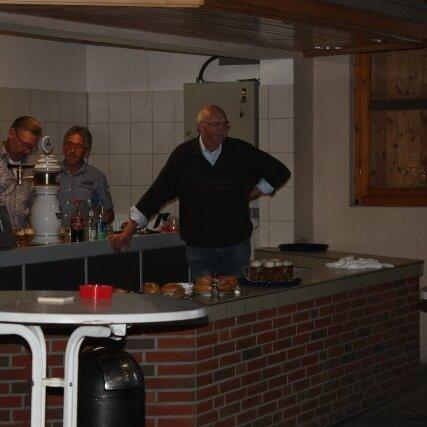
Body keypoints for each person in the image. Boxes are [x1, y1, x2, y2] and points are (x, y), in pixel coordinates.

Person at [110, 105, 290, 279]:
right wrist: (128, 231)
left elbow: (280, 171)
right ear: (200, 127)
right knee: (204, 296)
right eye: (216, 124)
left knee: (237, 295)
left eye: (225, 124)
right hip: (199, 249)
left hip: (236, 246)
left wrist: (256, 191)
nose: (223, 130)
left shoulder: (240, 151)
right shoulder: (183, 156)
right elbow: (157, 193)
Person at [59, 126, 114, 226]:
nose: (72, 150)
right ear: (63, 148)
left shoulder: (96, 177)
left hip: (84, 234)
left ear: (86, 152)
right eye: (69, 145)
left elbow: (109, 214)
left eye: (78, 147)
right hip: (53, 234)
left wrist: (92, 222)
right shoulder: (51, 173)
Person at [0, 116, 42, 228]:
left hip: (22, 237)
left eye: (31, 148)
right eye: (24, 145)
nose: (27, 151)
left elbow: (32, 208)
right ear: (11, 133)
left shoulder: (29, 171)